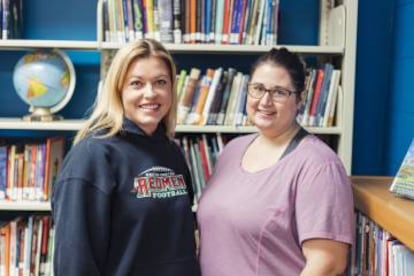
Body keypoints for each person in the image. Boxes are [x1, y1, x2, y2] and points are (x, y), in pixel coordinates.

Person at [197, 47, 354, 275]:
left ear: (300, 98)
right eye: (258, 89)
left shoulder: (319, 166)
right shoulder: (232, 150)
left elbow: (328, 264)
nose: (265, 101)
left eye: (279, 92)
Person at [52, 39, 200, 276]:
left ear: (172, 88)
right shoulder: (93, 156)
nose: (150, 93)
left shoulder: (171, 152)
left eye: (160, 82)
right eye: (136, 83)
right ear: (118, 90)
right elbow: (74, 261)